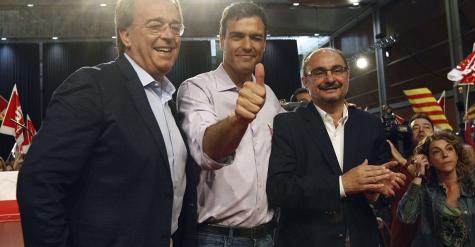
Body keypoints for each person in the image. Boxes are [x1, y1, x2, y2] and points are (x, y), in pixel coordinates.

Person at [16, 0, 196, 246]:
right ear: (126, 35)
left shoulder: (168, 99)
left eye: (176, 27)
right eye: (155, 25)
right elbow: (38, 186)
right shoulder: (92, 87)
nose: (168, 35)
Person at [266, 47, 405, 246]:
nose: (330, 78)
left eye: (338, 70)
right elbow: (279, 189)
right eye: (320, 72)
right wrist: (342, 184)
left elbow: (382, 192)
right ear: (305, 81)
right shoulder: (287, 125)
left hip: (362, 239)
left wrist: (375, 192)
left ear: (348, 75)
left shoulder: (370, 124)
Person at [176, 2, 283, 247]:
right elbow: (207, 153)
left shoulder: (270, 96)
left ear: (264, 44)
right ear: (221, 39)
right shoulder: (197, 88)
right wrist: (240, 119)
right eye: (237, 36)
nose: (247, 45)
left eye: (256, 37)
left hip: (268, 235)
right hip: (217, 238)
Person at [397, 131, 475, 246]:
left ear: (456, 155)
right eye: (436, 152)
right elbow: (406, 217)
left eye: (449, 149)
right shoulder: (425, 189)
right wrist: (418, 175)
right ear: (428, 160)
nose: (445, 155)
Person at [388, 113, 435, 247]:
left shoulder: (442, 162)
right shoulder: (393, 162)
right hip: (403, 235)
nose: (421, 130)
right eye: (415, 128)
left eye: (426, 126)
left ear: (433, 132)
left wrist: (404, 162)